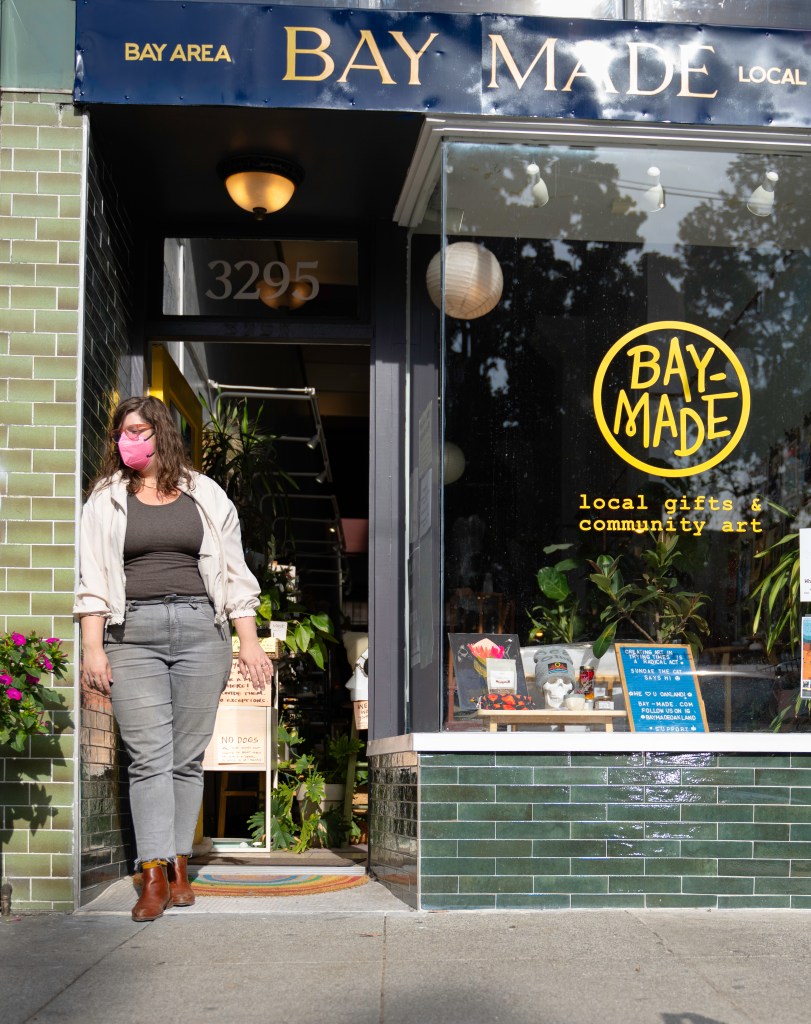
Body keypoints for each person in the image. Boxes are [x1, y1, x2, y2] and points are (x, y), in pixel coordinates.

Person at [74, 396, 273, 921]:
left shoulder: (205, 494)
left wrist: (249, 640)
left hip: (201, 631)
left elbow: (233, 572)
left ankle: (180, 864)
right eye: (122, 432)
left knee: (186, 757)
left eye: (139, 430)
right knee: (148, 758)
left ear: (162, 433)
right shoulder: (106, 499)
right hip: (131, 633)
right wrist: (93, 649)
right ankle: (154, 876)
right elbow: (92, 578)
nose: (129, 440)